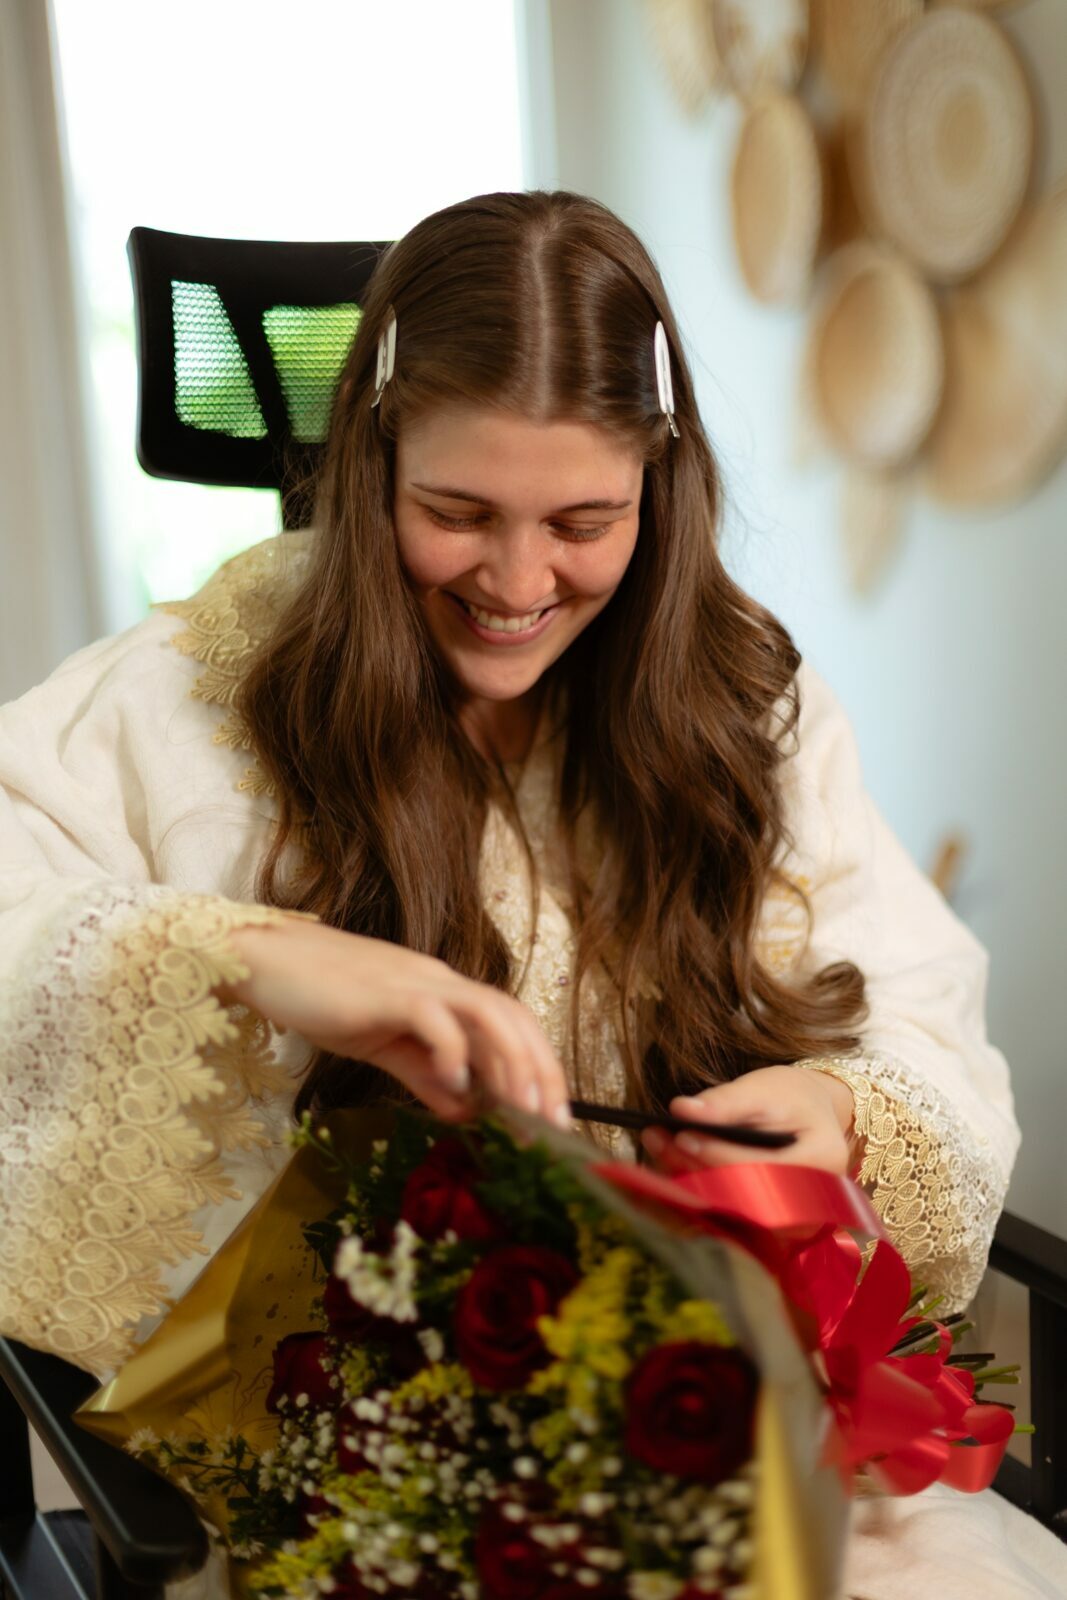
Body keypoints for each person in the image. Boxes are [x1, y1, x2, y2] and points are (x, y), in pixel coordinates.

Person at [0, 190, 1057, 1599]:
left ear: (659, 482)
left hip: (711, 1424)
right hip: (363, 1461)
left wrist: (846, 1114)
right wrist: (244, 957)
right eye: (456, 513)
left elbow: (924, 1009)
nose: (515, 581)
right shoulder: (195, 697)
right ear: (376, 461)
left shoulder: (748, 706)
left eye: (583, 520)